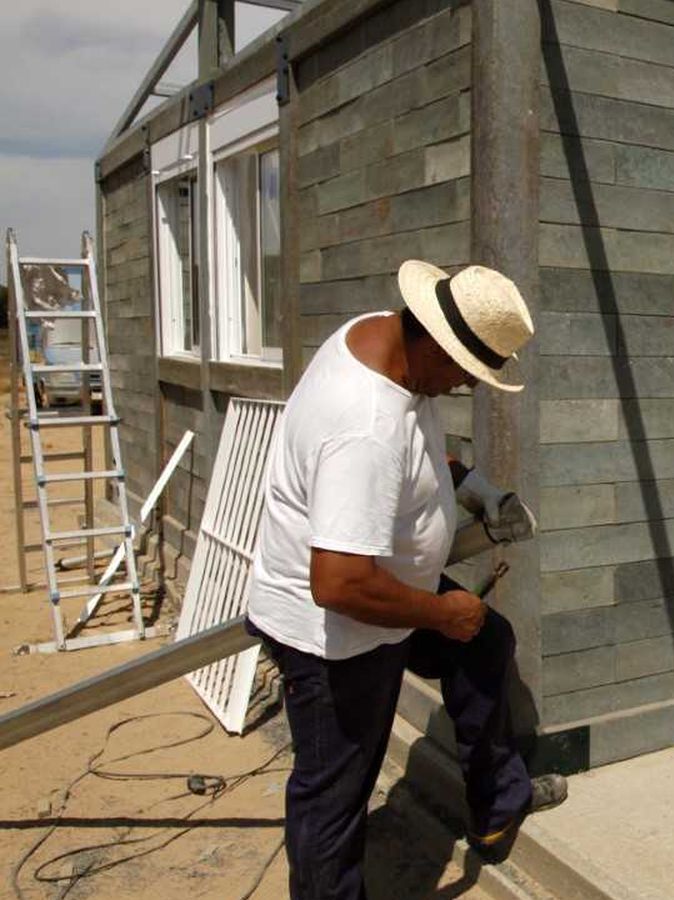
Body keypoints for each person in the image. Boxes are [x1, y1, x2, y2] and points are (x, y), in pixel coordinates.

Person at [245, 260, 563, 899]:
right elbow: (337, 583)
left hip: (378, 595)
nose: (455, 390)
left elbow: (417, 449)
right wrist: (441, 613)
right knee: (333, 797)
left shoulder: (380, 340)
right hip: (336, 634)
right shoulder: (364, 425)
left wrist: (471, 486)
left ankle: (497, 803)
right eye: (460, 374)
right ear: (433, 342)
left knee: (487, 642)